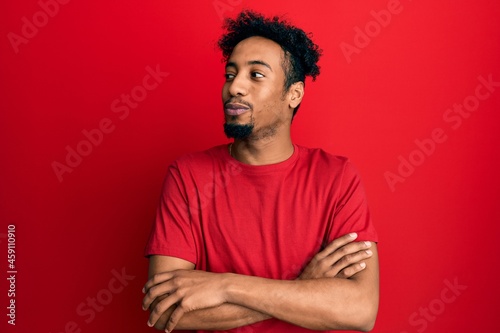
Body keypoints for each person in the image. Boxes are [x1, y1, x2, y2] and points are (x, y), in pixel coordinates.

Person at [142, 10, 379, 333]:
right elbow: (167, 312)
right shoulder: (187, 176)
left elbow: (360, 310)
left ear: (293, 95)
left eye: (256, 75)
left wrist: (226, 286)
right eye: (230, 74)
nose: (234, 87)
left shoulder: (337, 177)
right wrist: (303, 286)